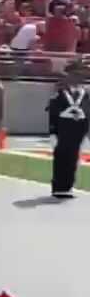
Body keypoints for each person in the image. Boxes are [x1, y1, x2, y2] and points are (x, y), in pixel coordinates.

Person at [46, 60, 88, 199]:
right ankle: (59, 186)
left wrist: (86, 131)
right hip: (63, 128)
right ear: (69, 74)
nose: (78, 77)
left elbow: (88, 112)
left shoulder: (84, 93)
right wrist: (52, 132)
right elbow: (52, 112)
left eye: (80, 74)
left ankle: (68, 186)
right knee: (61, 157)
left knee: (74, 157)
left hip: (78, 129)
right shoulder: (60, 92)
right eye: (75, 74)